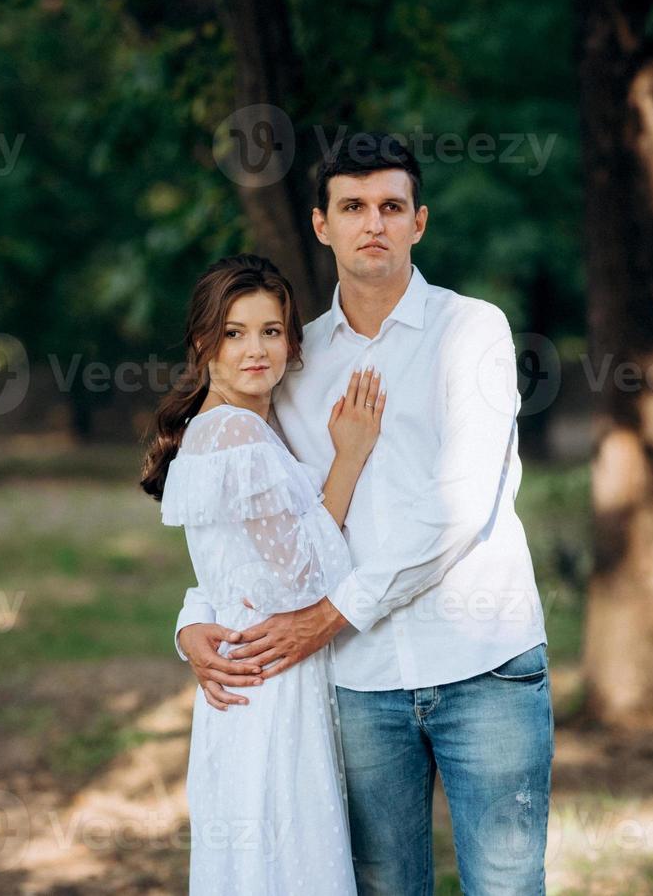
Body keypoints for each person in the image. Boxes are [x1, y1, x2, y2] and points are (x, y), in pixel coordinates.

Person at [175, 133, 553, 894]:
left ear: (419, 222)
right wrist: (191, 622)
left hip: (483, 664)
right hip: (359, 684)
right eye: (353, 207)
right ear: (323, 224)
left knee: (506, 887)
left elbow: (458, 508)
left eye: (391, 206)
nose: (372, 223)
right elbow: (260, 523)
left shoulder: (472, 331)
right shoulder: (295, 363)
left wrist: (329, 614)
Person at [140, 254, 386, 895]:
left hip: (253, 671)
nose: (256, 349)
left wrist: (191, 623)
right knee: (286, 861)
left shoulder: (239, 429)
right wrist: (349, 458)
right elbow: (305, 578)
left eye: (271, 331)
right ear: (204, 344)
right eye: (235, 332)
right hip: (272, 676)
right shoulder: (233, 436)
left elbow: (228, 570)